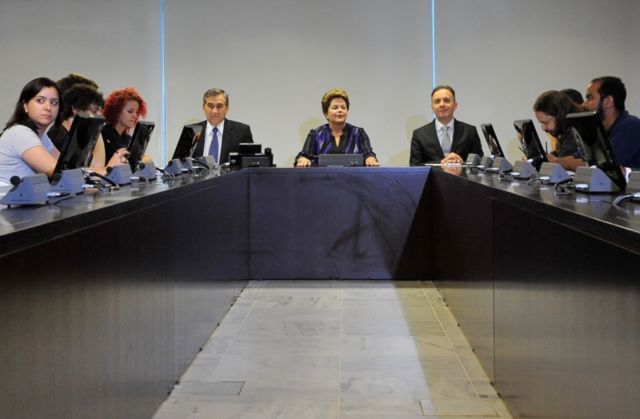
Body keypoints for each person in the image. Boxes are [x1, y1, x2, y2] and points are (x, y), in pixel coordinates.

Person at [0, 77, 63, 186]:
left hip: (25, 201)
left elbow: (66, 166)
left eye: (54, 102)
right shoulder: (20, 133)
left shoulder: (41, 136)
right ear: (25, 106)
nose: (48, 107)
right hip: (8, 202)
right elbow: (59, 172)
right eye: (40, 101)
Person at [295, 88, 379, 167]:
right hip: (322, 180)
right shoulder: (315, 134)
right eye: (335, 108)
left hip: (353, 180)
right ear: (326, 113)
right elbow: (304, 155)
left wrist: (370, 158)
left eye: (343, 107)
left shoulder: (359, 133)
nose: (340, 110)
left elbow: (369, 154)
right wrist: (303, 159)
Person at [410, 85, 483, 165]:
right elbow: (415, 166)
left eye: (446, 100)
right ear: (432, 107)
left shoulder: (470, 131)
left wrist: (462, 163)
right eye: (437, 101)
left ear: (455, 105)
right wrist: (442, 163)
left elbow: (479, 165)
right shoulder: (419, 134)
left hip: (461, 177)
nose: (442, 104)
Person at [584, 76, 640, 169]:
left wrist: (563, 162)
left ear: (608, 102)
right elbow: (579, 157)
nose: (585, 104)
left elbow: (605, 164)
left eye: (590, 98)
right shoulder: (600, 129)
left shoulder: (631, 126)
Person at [90, 87, 146, 172]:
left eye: (136, 112)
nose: (135, 116)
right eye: (130, 111)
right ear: (117, 111)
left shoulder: (128, 139)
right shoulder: (102, 135)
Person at [192, 88, 253, 165]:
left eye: (219, 106)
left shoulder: (242, 131)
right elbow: (180, 164)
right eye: (210, 106)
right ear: (203, 107)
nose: (214, 111)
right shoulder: (192, 131)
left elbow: (250, 165)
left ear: (227, 108)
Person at [533, 90, 585, 171]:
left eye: (545, 123)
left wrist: (552, 160)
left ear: (559, 116)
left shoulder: (576, 130)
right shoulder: (565, 131)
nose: (543, 128)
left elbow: (564, 161)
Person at [48, 84, 104, 149]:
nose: (100, 115)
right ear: (76, 109)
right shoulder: (57, 136)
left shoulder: (76, 134)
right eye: (94, 111)